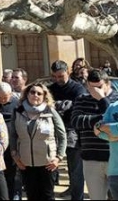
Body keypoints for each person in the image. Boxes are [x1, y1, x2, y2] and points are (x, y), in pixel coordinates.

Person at [9, 83, 66, 200]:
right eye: (32, 92)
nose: (35, 95)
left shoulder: (50, 111)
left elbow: (62, 135)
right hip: (26, 163)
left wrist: (59, 157)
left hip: (47, 163)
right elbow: (13, 135)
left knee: (47, 196)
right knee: (32, 195)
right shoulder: (18, 111)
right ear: (27, 94)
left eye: (39, 93)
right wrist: (14, 154)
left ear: (44, 96)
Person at [70, 68, 118, 200]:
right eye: (91, 88)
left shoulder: (116, 99)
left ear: (108, 83)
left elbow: (115, 122)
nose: (95, 91)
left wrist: (103, 100)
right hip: (91, 158)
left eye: (99, 87)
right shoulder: (82, 99)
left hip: (114, 158)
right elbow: (76, 121)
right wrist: (101, 122)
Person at [47, 60, 87, 201]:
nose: (58, 80)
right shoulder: (51, 89)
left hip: (72, 131)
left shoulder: (78, 89)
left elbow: (78, 110)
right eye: (55, 77)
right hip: (53, 132)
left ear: (68, 73)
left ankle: (77, 197)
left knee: (75, 169)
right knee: (50, 166)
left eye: (61, 76)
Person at [0, 82, 21, 200]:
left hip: (12, 145)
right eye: (0, 97)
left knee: (12, 175)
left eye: (5, 97)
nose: (2, 100)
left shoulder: (17, 103)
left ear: (11, 94)